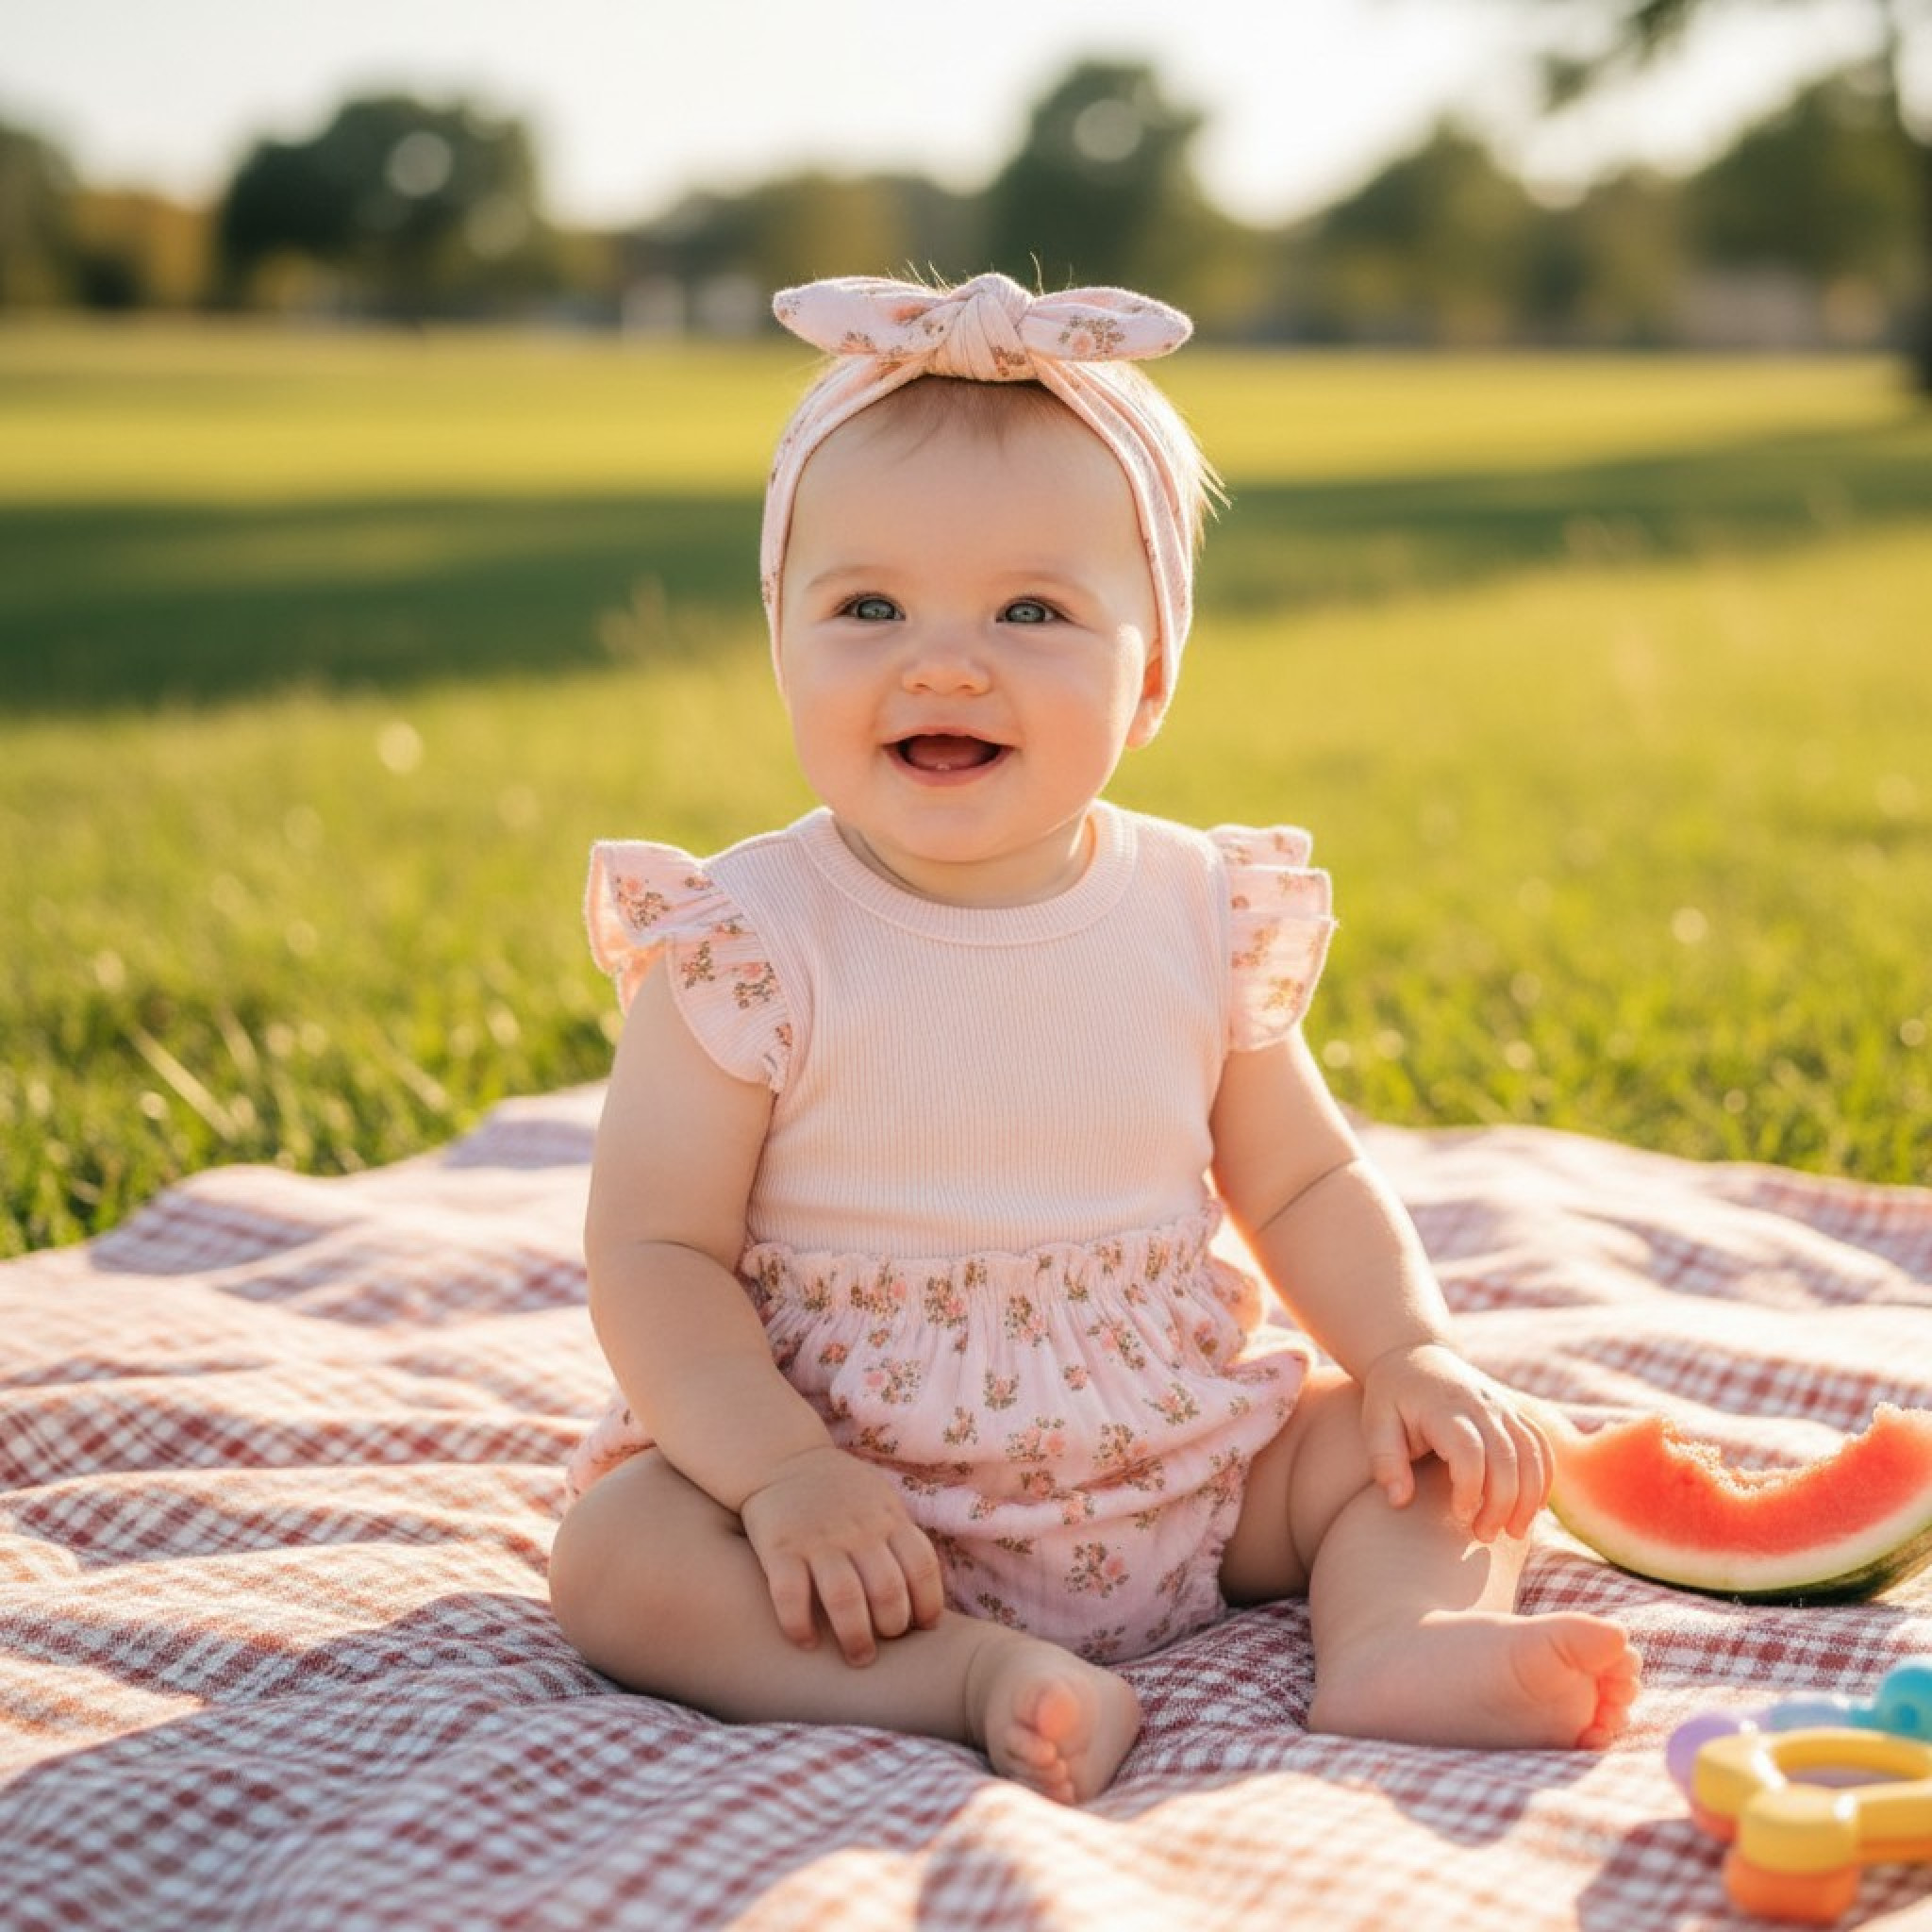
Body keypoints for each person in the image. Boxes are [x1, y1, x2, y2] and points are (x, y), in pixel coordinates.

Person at [547, 272, 1641, 1805]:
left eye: (1032, 613)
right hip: (856, 1509)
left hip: (1183, 1464)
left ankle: (1401, 1642)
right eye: (868, 608)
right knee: (618, 1559)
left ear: (1153, 676)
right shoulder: (744, 939)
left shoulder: (1201, 908)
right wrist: (784, 1474)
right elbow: (654, 1252)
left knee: (1427, 1457)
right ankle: (969, 1678)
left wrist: (1407, 1352)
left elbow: (1307, 1182)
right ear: (781, 639)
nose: (943, 663)